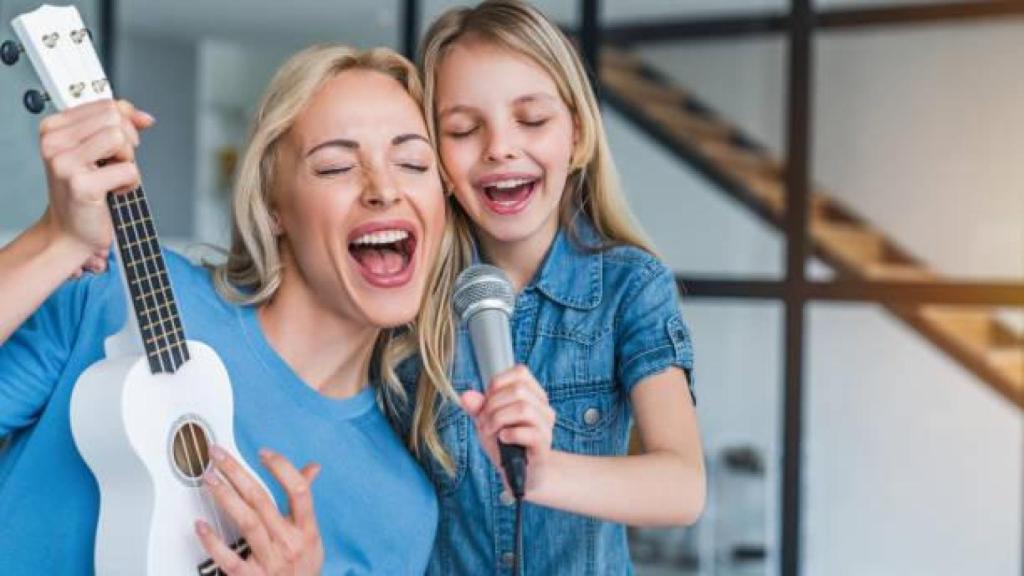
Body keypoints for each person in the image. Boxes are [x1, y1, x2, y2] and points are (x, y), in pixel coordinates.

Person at [0, 44, 450, 575]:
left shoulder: (400, 510)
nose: (385, 189)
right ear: (274, 206)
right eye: (335, 166)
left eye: (413, 162)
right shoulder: (115, 291)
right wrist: (59, 239)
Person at [396, 1, 707, 574]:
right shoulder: (406, 297)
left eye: (531, 120)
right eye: (463, 129)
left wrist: (543, 474)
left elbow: (682, 486)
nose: (499, 147)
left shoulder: (630, 286)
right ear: (436, 156)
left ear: (579, 137)